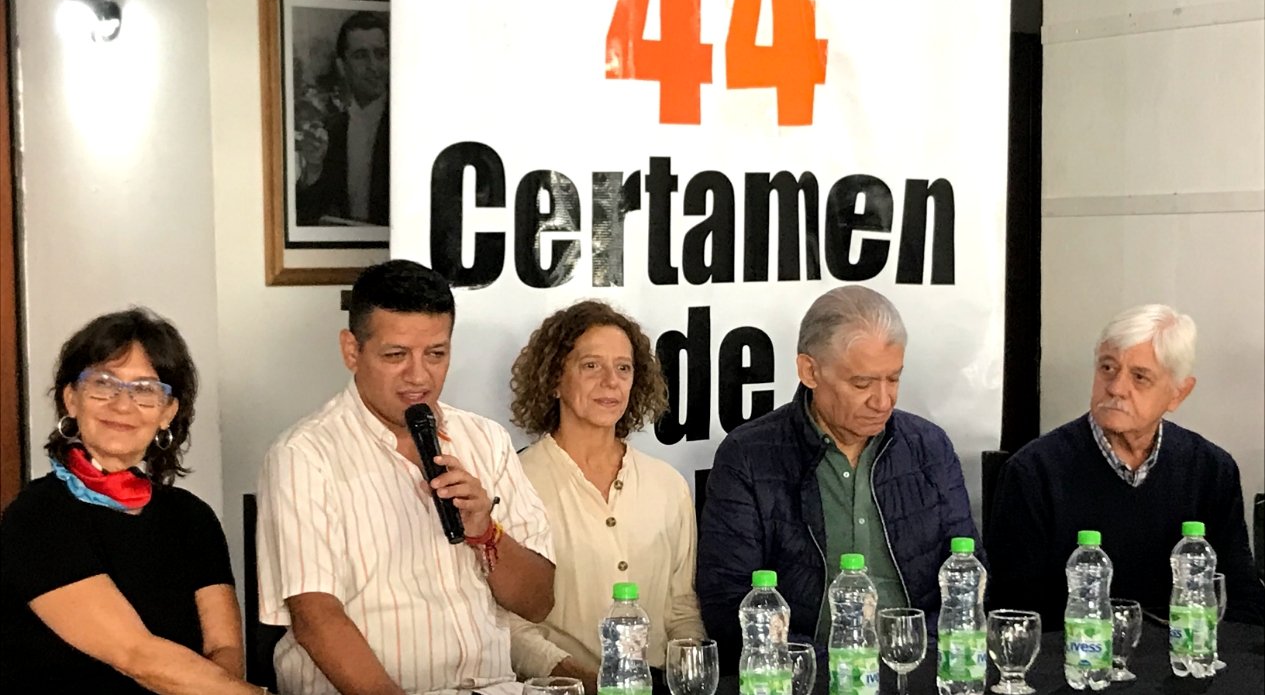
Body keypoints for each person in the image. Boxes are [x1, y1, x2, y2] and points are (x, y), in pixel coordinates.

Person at [256, 260, 556, 695]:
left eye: (436, 354)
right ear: (351, 351)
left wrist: (485, 532)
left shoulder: (486, 439)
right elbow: (316, 618)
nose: (419, 376)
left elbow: (538, 602)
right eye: (396, 355)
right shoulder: (304, 455)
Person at [696, 285, 983, 670]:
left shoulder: (929, 448)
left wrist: (915, 653)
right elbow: (728, 606)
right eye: (862, 384)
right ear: (810, 371)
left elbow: (969, 582)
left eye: (893, 379)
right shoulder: (750, 457)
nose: (883, 400)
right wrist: (831, 667)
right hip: (804, 679)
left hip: (921, 670)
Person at [0, 308, 259, 693]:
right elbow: (137, 656)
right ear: (71, 399)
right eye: (103, 384)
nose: (122, 405)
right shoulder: (37, 515)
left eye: (145, 390)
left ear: (168, 412)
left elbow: (224, 649)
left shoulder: (192, 516)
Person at [987, 304, 1265, 626]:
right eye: (1108, 368)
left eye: (1140, 377)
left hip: (1182, 651)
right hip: (1074, 651)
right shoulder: (1033, 472)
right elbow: (1014, 613)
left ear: (1178, 394)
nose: (1116, 388)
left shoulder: (1212, 470)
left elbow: (1241, 601)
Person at [507, 300, 706, 693]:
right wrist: (586, 683)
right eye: (591, 366)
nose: (611, 382)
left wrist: (688, 675)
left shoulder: (668, 485)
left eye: (623, 368)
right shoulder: (515, 482)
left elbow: (681, 609)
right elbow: (510, 626)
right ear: (554, 379)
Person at [295, 11, 389, 226]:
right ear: (342, 66)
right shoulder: (331, 130)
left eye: (380, 54)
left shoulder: (407, 127)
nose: (373, 66)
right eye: (361, 56)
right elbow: (306, 218)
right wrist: (313, 169)